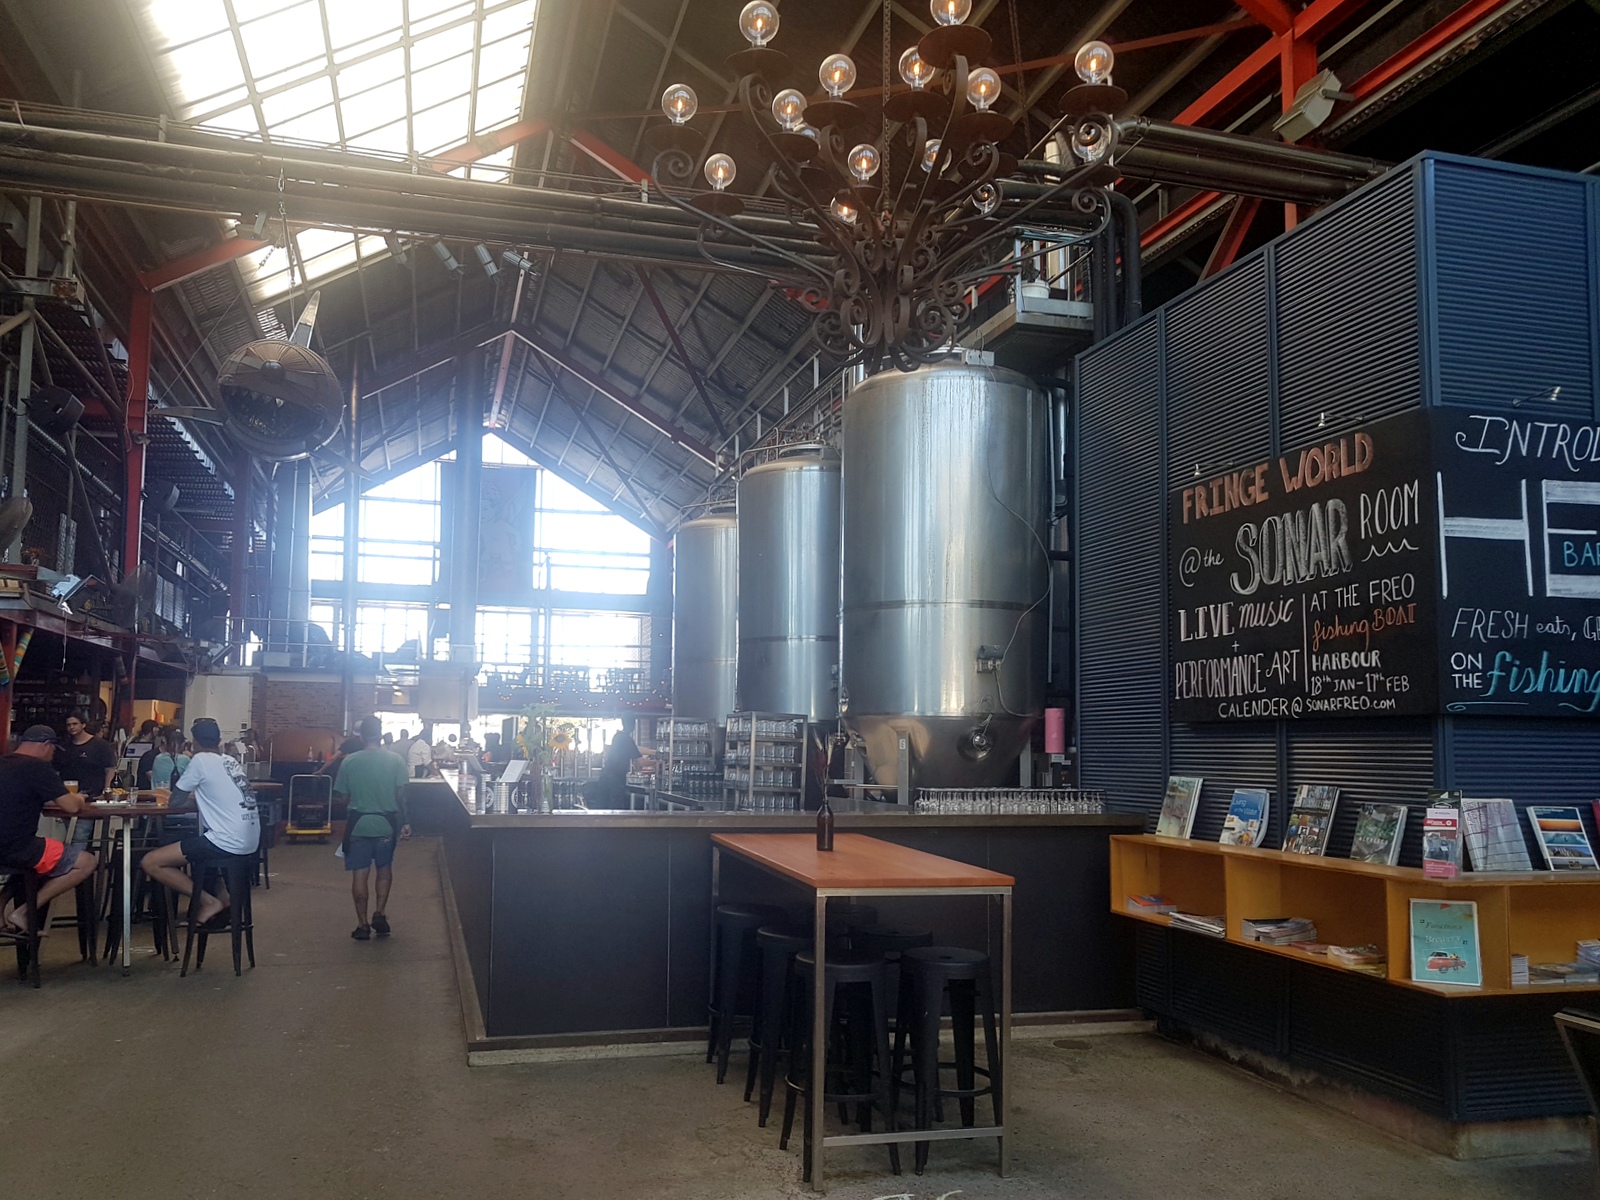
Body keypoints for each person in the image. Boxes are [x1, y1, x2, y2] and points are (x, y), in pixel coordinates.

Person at [138, 718, 260, 927]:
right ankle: (224, 897)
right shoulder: (230, 761)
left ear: (194, 742)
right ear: (219, 740)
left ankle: (208, 901)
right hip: (250, 839)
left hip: (226, 841)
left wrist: (178, 796)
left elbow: (175, 801)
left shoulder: (200, 760)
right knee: (200, 851)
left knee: (150, 861)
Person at [0, 726, 99, 935]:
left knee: (29, 864)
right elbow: (71, 807)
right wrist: (78, 798)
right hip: (18, 848)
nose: (53, 756)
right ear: (46, 745)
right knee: (86, 862)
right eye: (53, 750)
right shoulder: (38, 768)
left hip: (6, 849)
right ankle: (24, 911)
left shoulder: (4, 762)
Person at [333, 716, 411, 940]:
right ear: (381, 733)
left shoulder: (349, 761)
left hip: (358, 825)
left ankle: (362, 924)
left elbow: (341, 797)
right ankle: (380, 912)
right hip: (386, 825)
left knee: (360, 873)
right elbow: (402, 796)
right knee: (384, 870)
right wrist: (406, 822)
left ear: (362, 736)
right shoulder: (396, 760)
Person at [56, 711, 117, 798]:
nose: (71, 727)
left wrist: (106, 790)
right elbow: (58, 771)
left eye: (75, 724)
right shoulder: (64, 747)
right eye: (68, 725)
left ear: (83, 725)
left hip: (95, 795)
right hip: (70, 796)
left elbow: (110, 769)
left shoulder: (100, 745)